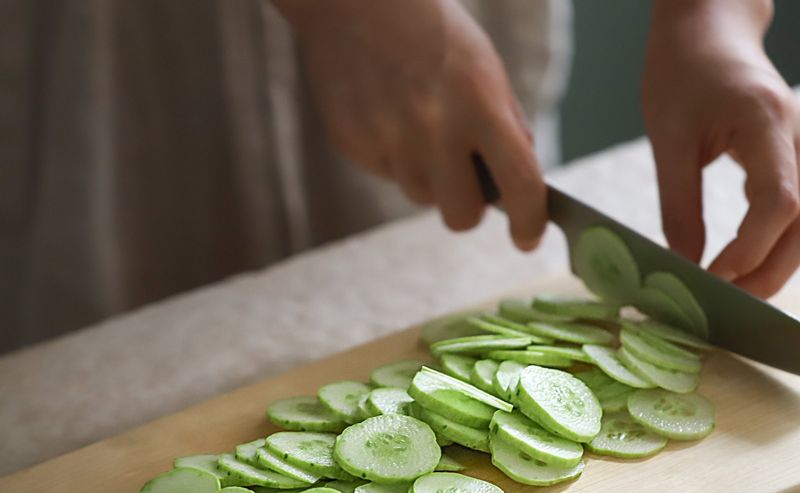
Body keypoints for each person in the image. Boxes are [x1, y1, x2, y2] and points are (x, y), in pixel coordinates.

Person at [1, 0, 797, 354]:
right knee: (103, 354)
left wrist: (712, 14)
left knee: (446, 265)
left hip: (450, 30)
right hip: (122, 38)